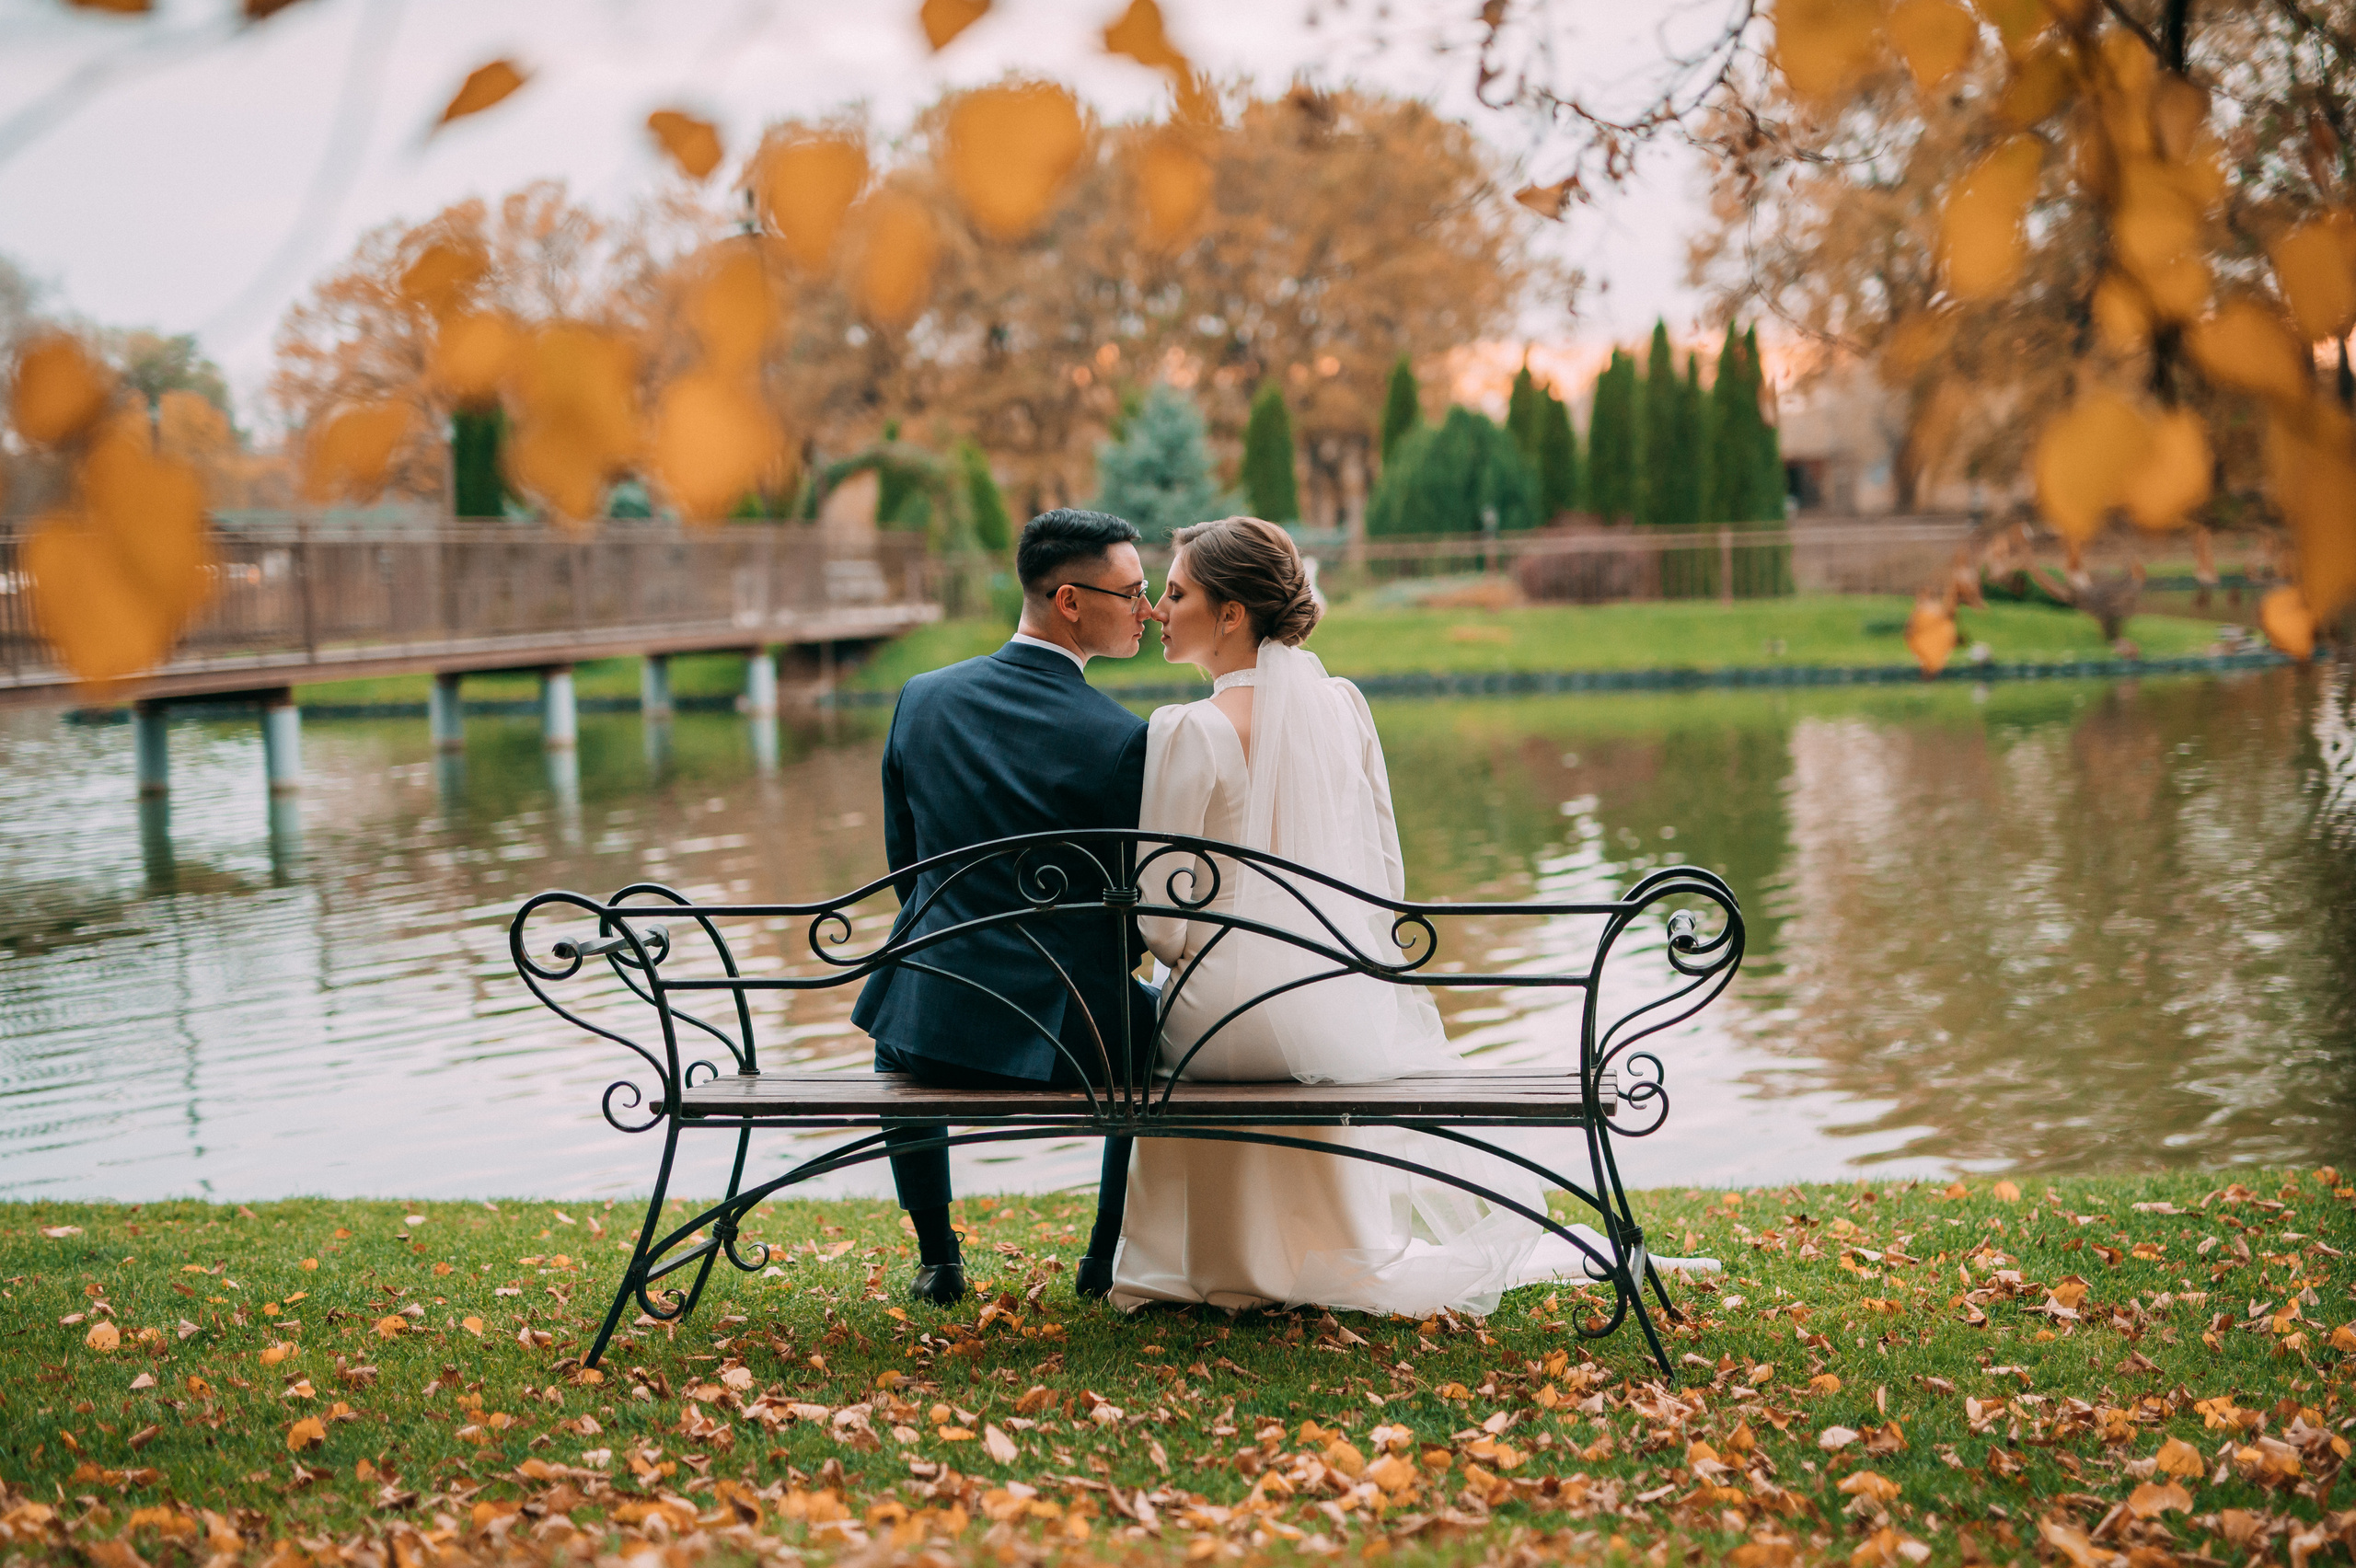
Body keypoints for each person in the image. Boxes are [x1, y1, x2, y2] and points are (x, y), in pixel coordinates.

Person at [1110, 516, 1553, 1317]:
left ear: (1232, 613)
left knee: (1168, 1029)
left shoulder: (1187, 729)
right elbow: (1383, 872)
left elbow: (1160, 915)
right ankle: (1335, 1250)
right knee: (1280, 1029)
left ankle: (1194, 1264)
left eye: (1175, 594)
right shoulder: (1343, 708)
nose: (1157, 610)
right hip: (1329, 1002)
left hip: (1220, 1021)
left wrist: (1189, 955)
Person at [852, 508, 1160, 1305]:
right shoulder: (1123, 738)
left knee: (894, 1038)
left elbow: (908, 868)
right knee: (1160, 1033)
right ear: (1069, 600)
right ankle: (1101, 1261)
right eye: (1131, 593)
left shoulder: (922, 698)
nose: (1147, 609)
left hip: (927, 1028)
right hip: (1075, 1043)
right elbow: (1126, 915)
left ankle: (938, 1259)